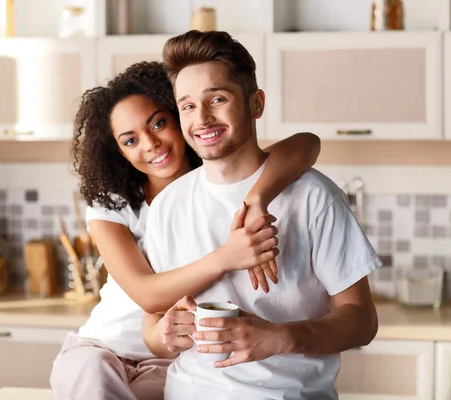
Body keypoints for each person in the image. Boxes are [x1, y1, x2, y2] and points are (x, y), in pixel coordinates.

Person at [50, 61, 321, 400]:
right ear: (118, 152)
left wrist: (256, 199)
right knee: (96, 381)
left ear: (180, 116)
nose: (150, 144)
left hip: (168, 361)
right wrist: (226, 258)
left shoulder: (220, 185)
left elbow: (306, 143)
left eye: (159, 123)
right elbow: (146, 294)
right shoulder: (113, 206)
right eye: (130, 140)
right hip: (100, 350)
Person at [142, 31, 382, 399]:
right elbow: (152, 325)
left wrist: (284, 337)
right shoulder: (167, 206)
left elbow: (362, 320)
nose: (202, 119)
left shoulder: (313, 197)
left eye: (217, 99)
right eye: (187, 106)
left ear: (256, 103)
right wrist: (163, 335)